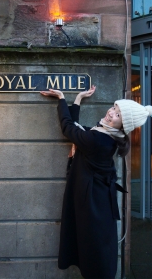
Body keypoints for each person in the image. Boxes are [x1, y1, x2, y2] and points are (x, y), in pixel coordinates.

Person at [40, 87, 152, 279]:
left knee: (92, 242)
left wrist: (61, 98)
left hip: (91, 200)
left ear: (123, 125)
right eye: (113, 108)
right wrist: (77, 99)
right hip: (96, 197)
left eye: (118, 115)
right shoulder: (106, 134)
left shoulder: (99, 139)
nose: (111, 113)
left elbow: (69, 128)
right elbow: (78, 129)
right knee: (94, 241)